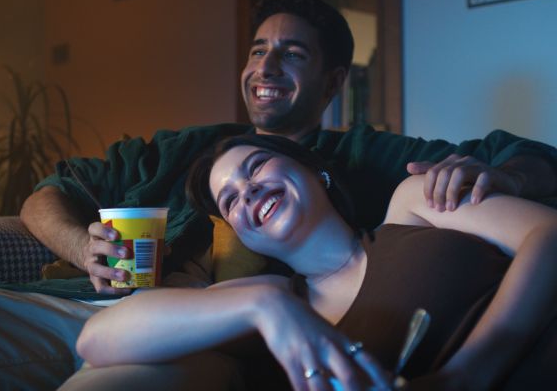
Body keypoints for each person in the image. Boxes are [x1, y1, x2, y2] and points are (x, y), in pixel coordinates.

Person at [0, 0, 555, 390]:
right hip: (86, 305)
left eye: (293, 55)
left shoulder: (364, 156)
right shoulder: (183, 148)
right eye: (258, 50)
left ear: (331, 80)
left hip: (197, 336)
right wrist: (77, 244)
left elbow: (514, 157)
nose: (266, 67)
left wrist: (501, 179)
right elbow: (51, 191)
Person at [75, 133, 557, 390]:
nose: (249, 192)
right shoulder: (274, 302)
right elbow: (98, 339)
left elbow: (549, 233)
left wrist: (467, 374)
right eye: (230, 201)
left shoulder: (411, 206)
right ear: (243, 234)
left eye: (257, 167)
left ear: (315, 171)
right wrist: (264, 304)